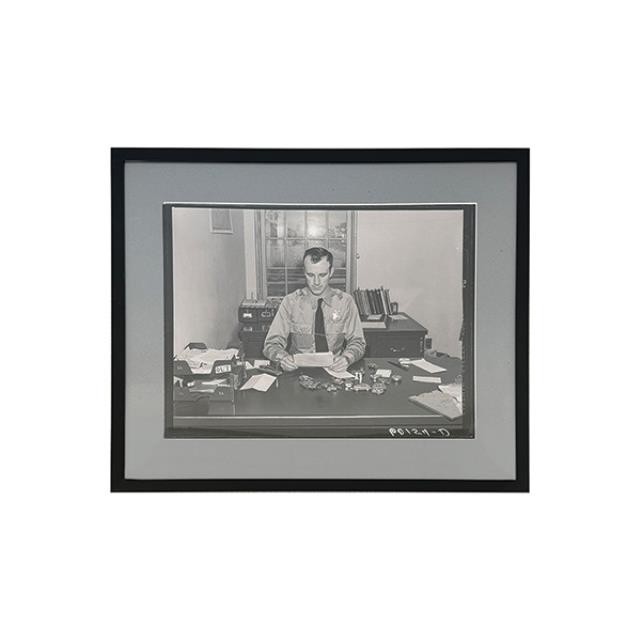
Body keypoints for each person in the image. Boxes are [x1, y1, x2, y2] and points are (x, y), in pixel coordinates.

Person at [263, 247, 366, 372]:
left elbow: (358, 342)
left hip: (335, 371)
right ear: (304, 272)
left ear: (331, 272)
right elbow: (271, 344)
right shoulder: (290, 302)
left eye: (322, 275)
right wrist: (283, 358)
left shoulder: (345, 302)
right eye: (310, 275)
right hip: (298, 372)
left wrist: (347, 358)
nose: (316, 282)